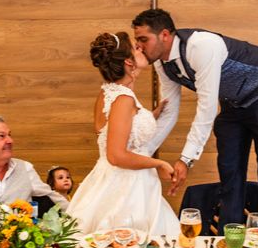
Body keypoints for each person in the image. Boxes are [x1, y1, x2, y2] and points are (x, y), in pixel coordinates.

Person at [132, 9, 258, 230]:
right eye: (137, 40)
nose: (138, 47)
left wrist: (186, 159)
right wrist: (142, 154)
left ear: (165, 35)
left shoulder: (201, 46)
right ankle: (228, 242)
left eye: (143, 39)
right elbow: (169, 111)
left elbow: (206, 108)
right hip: (233, 101)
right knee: (229, 172)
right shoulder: (162, 62)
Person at [66, 32, 179, 236]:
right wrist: (159, 163)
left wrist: (151, 116)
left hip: (112, 178)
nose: (141, 48)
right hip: (127, 187)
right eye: (136, 48)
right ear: (129, 61)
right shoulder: (123, 99)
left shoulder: (108, 93)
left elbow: (119, 130)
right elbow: (116, 155)